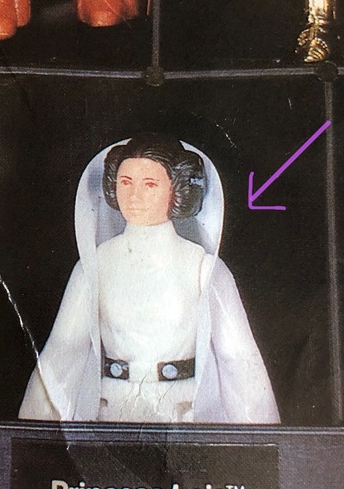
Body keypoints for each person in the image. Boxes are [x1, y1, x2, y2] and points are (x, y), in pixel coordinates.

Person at [19, 134, 279, 423]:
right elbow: (65, 348)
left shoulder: (204, 268)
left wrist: (259, 433)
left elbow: (237, 358)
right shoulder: (94, 267)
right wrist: (35, 427)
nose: (134, 196)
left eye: (150, 185)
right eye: (125, 182)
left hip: (182, 419)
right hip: (113, 418)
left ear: (177, 190)